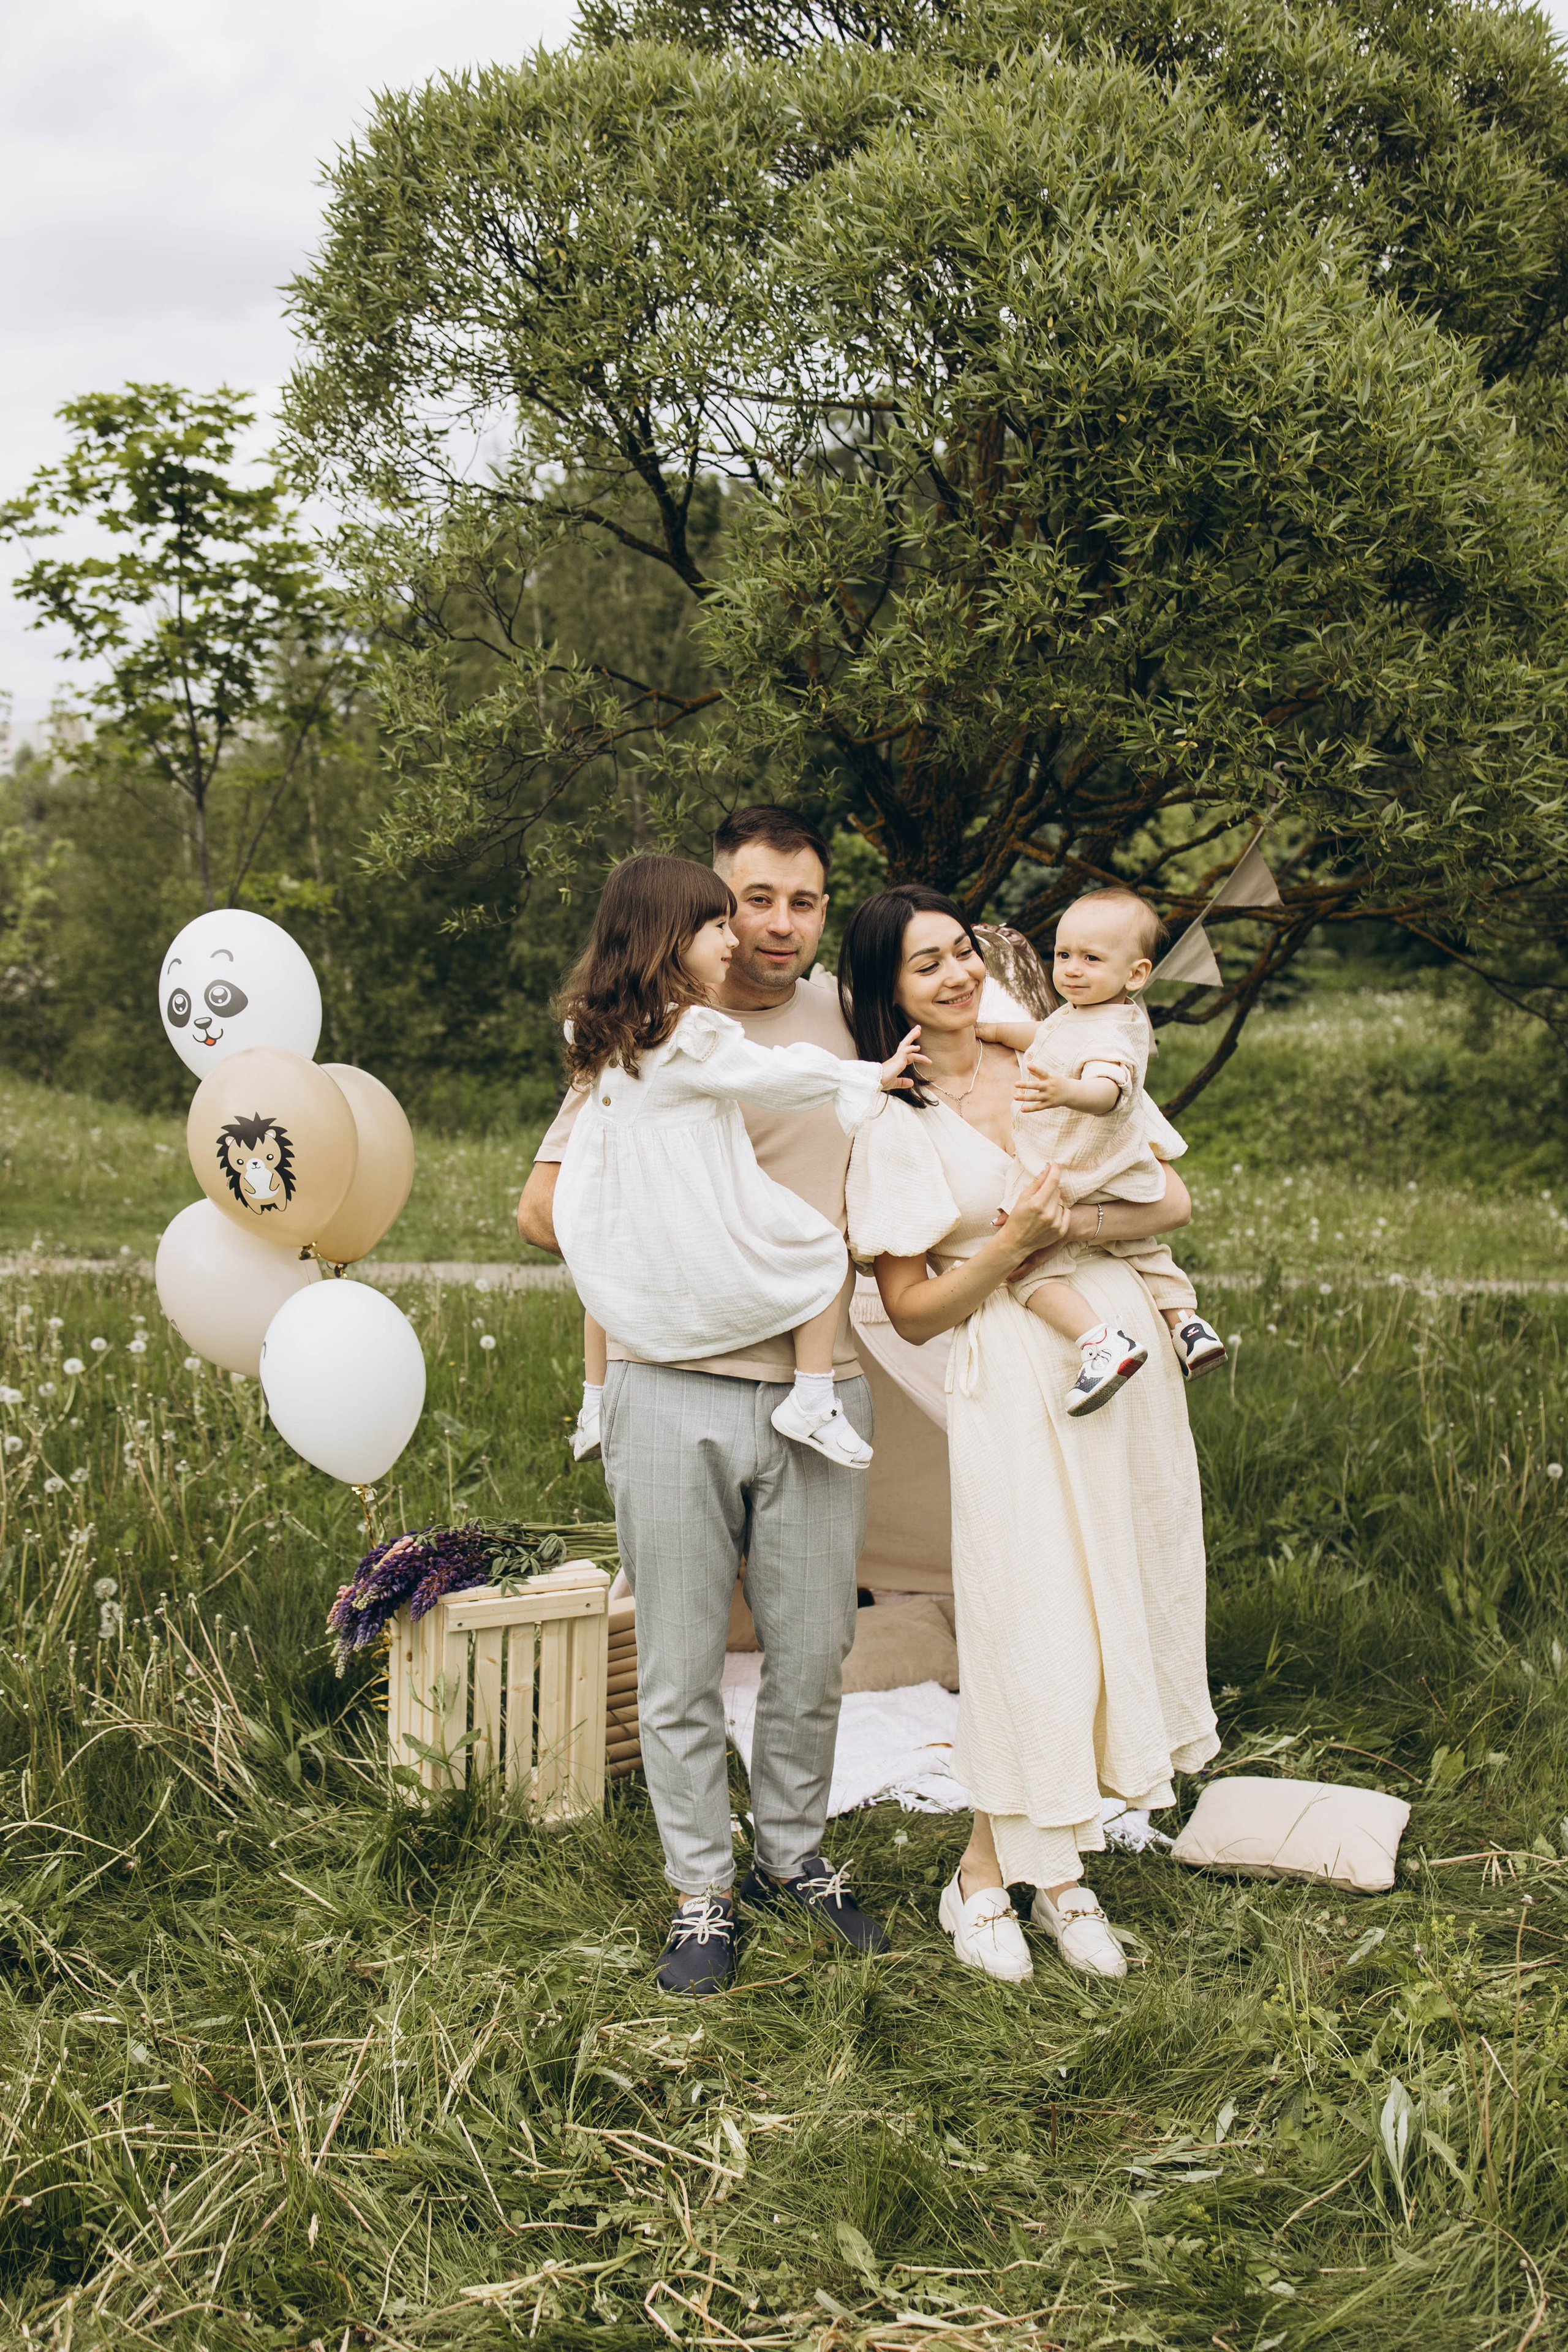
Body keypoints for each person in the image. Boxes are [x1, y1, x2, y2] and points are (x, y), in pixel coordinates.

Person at [518, 808, 901, 1995]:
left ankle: (794, 1856)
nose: (774, 925)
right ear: (706, 913)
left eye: (803, 902)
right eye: (752, 900)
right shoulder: (642, 1032)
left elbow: (968, 1045)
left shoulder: (852, 1013)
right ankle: (700, 1890)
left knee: (811, 1647)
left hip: (815, 1382)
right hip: (664, 1382)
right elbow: (545, 1210)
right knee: (679, 1660)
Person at [841, 886, 1216, 1986]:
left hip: (1120, 1346)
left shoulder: (1058, 1058)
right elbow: (910, 1305)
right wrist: (1013, 1248)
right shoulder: (891, 1123)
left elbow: (1170, 1201)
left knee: (1114, 1610)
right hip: (1009, 1368)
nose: (958, 976)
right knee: (1032, 1617)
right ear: (889, 994)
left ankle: (1056, 1874)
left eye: (963, 953)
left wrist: (1074, 1228)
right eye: (927, 966)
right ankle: (984, 1874)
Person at [552, 854, 924, 1472]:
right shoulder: (693, 1033)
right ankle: (810, 1398)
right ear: (671, 940)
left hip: (613, 1206)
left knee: (603, 1281)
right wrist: (860, 1076)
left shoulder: (600, 1025)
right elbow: (771, 1076)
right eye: (718, 927)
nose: (733, 940)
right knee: (820, 1253)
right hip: (692, 1197)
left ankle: (595, 1405)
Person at [977, 886, 1227, 1416]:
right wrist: (995, 1029)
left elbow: (1109, 1090)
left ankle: (1099, 1342)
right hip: (1116, 1162)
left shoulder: (1115, 1033)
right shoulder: (1089, 1011)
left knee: (1024, 1270)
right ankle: (1187, 1322)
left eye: (1091, 959)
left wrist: (1066, 1092)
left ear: (1135, 974)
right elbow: (1047, 1034)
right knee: (1140, 1245)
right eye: (1063, 955)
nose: (1071, 969)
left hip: (1081, 1164)